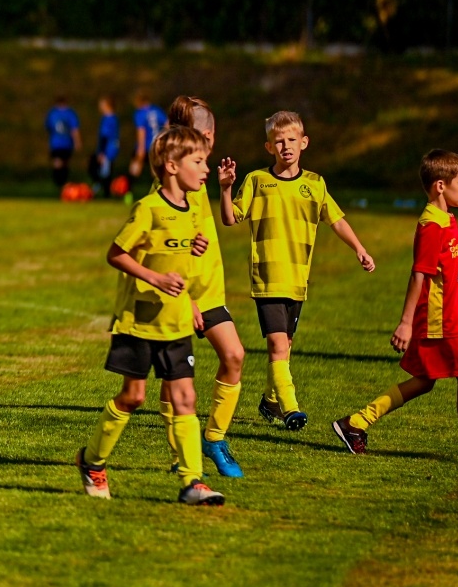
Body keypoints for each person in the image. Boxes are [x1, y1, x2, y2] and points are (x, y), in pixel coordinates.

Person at [74, 125, 225, 506]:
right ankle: (92, 462)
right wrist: (155, 278)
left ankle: (194, 481)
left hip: (174, 321)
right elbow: (117, 254)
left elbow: (178, 262)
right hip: (139, 321)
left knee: (185, 398)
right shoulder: (148, 208)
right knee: (134, 396)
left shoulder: (192, 210)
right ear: (172, 166)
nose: (205, 169)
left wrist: (191, 271)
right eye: (198, 161)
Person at [334, 151, 458, 467]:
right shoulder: (431, 226)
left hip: (450, 318)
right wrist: (405, 323)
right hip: (441, 322)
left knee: (425, 380)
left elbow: (449, 270)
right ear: (440, 186)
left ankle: (355, 423)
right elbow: (419, 274)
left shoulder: (447, 219)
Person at [220, 110, 375, 431]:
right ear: (269, 147)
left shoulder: (315, 184)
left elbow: (336, 219)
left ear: (304, 143)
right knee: (278, 346)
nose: (286, 146)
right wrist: (224, 189)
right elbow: (231, 217)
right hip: (268, 280)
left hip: (297, 280)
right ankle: (291, 408)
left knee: (285, 346)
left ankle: (270, 400)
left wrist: (359, 248)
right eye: (279, 141)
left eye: (292, 140)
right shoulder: (256, 181)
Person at [166, 96, 247, 478]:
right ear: (207, 134)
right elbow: (166, 248)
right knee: (175, 380)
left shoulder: (197, 174)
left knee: (234, 356)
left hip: (210, 289)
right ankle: (181, 455)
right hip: (179, 294)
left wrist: (225, 189)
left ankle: (214, 438)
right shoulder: (173, 181)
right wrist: (187, 300)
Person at [128, 92, 167, 186]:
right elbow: (167, 124)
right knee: (156, 171)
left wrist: (140, 148)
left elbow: (141, 131)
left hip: (145, 145)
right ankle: (158, 192)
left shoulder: (140, 113)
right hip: (157, 145)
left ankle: (128, 193)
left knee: (135, 168)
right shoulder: (157, 110)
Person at [45, 96, 81, 189]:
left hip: (59, 144)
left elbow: (49, 128)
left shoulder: (53, 113)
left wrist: (77, 141)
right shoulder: (69, 113)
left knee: (60, 163)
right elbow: (74, 130)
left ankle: (61, 184)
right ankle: (60, 184)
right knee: (60, 163)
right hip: (63, 144)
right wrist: (77, 141)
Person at [89, 96, 119, 197]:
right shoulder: (114, 118)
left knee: (102, 172)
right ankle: (104, 191)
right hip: (112, 149)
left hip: (107, 150)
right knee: (105, 171)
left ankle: (104, 192)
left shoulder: (108, 119)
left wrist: (101, 152)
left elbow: (104, 137)